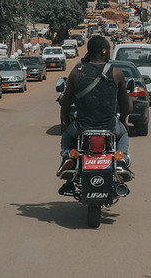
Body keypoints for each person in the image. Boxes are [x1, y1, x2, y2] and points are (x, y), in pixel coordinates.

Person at [58, 35, 132, 187]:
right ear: (104, 51)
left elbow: (65, 103)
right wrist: (124, 119)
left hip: (82, 128)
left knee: (66, 135)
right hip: (110, 126)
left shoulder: (76, 73)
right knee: (123, 132)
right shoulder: (116, 73)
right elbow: (126, 105)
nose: (110, 54)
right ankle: (121, 160)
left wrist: (65, 122)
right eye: (109, 51)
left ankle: (67, 157)